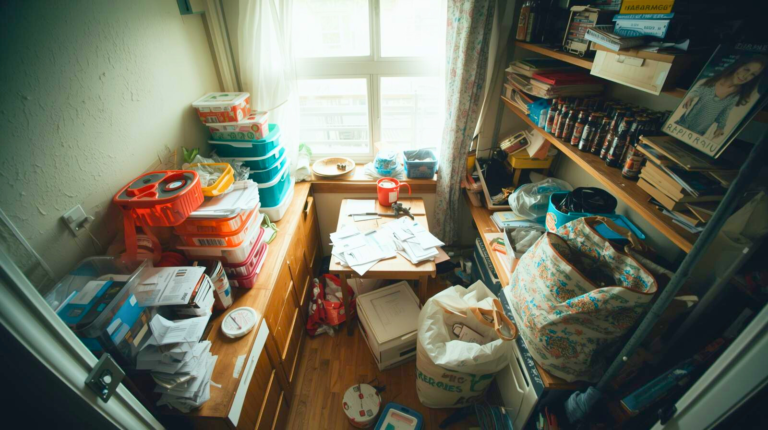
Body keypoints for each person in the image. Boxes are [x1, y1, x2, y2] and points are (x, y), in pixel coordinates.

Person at [675, 54, 767, 139]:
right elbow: (698, 90)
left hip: (698, 133)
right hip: (682, 125)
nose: (746, 76)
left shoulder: (736, 97)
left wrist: (720, 127)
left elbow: (725, 112)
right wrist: (690, 96)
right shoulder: (710, 82)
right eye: (746, 69)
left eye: (753, 74)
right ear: (738, 65)